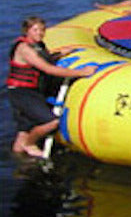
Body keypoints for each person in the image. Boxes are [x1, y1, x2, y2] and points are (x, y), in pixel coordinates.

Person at [7, 16, 97, 158]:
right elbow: (47, 69)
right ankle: (30, 144)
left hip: (31, 91)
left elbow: (46, 58)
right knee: (52, 122)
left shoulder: (39, 45)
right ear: (27, 31)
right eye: (35, 30)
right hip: (21, 93)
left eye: (42, 30)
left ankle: (18, 162)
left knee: (24, 130)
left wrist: (62, 53)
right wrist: (81, 72)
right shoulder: (24, 48)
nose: (39, 33)